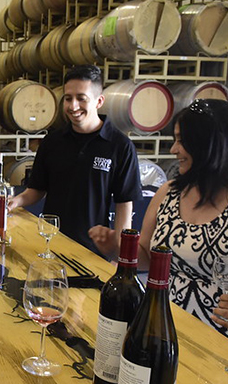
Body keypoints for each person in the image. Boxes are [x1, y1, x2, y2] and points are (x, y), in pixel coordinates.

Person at [90, 99, 228, 340]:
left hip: (226, 337)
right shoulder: (169, 191)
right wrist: (117, 248)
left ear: (208, 143)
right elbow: (148, 258)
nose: (173, 149)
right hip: (164, 327)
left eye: (182, 140)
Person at [8, 65, 142, 257]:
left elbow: (124, 204)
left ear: (99, 101)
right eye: (68, 98)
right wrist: (16, 201)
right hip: (49, 245)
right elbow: (36, 190)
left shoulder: (119, 146)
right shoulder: (52, 142)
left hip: (92, 251)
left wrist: (121, 253)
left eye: (81, 98)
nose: (73, 106)